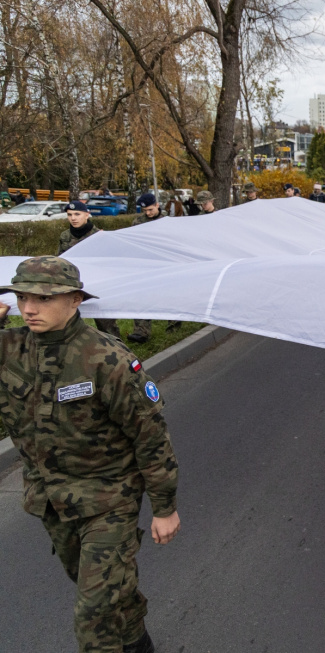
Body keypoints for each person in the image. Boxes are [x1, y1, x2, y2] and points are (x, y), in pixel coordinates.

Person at [0, 256, 181, 653]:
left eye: (43, 299)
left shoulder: (108, 359)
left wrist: (164, 507)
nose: (29, 308)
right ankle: (137, 643)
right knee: (110, 591)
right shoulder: (9, 348)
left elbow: (150, 437)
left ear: (75, 299)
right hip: (52, 502)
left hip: (109, 500)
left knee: (93, 616)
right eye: (21, 297)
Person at [57, 200, 121, 338]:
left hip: (96, 282)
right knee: (68, 318)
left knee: (104, 320)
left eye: (77, 214)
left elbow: (109, 261)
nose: (73, 218)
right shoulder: (65, 236)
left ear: (87, 215)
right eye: (69, 215)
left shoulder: (99, 235)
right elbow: (60, 259)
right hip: (73, 282)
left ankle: (115, 345)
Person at [130, 194, 164, 343]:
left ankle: (175, 324)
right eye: (144, 210)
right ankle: (141, 332)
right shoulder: (137, 222)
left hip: (164, 264)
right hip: (143, 264)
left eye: (150, 209)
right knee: (141, 295)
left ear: (157, 205)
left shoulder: (167, 221)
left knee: (169, 295)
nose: (148, 213)